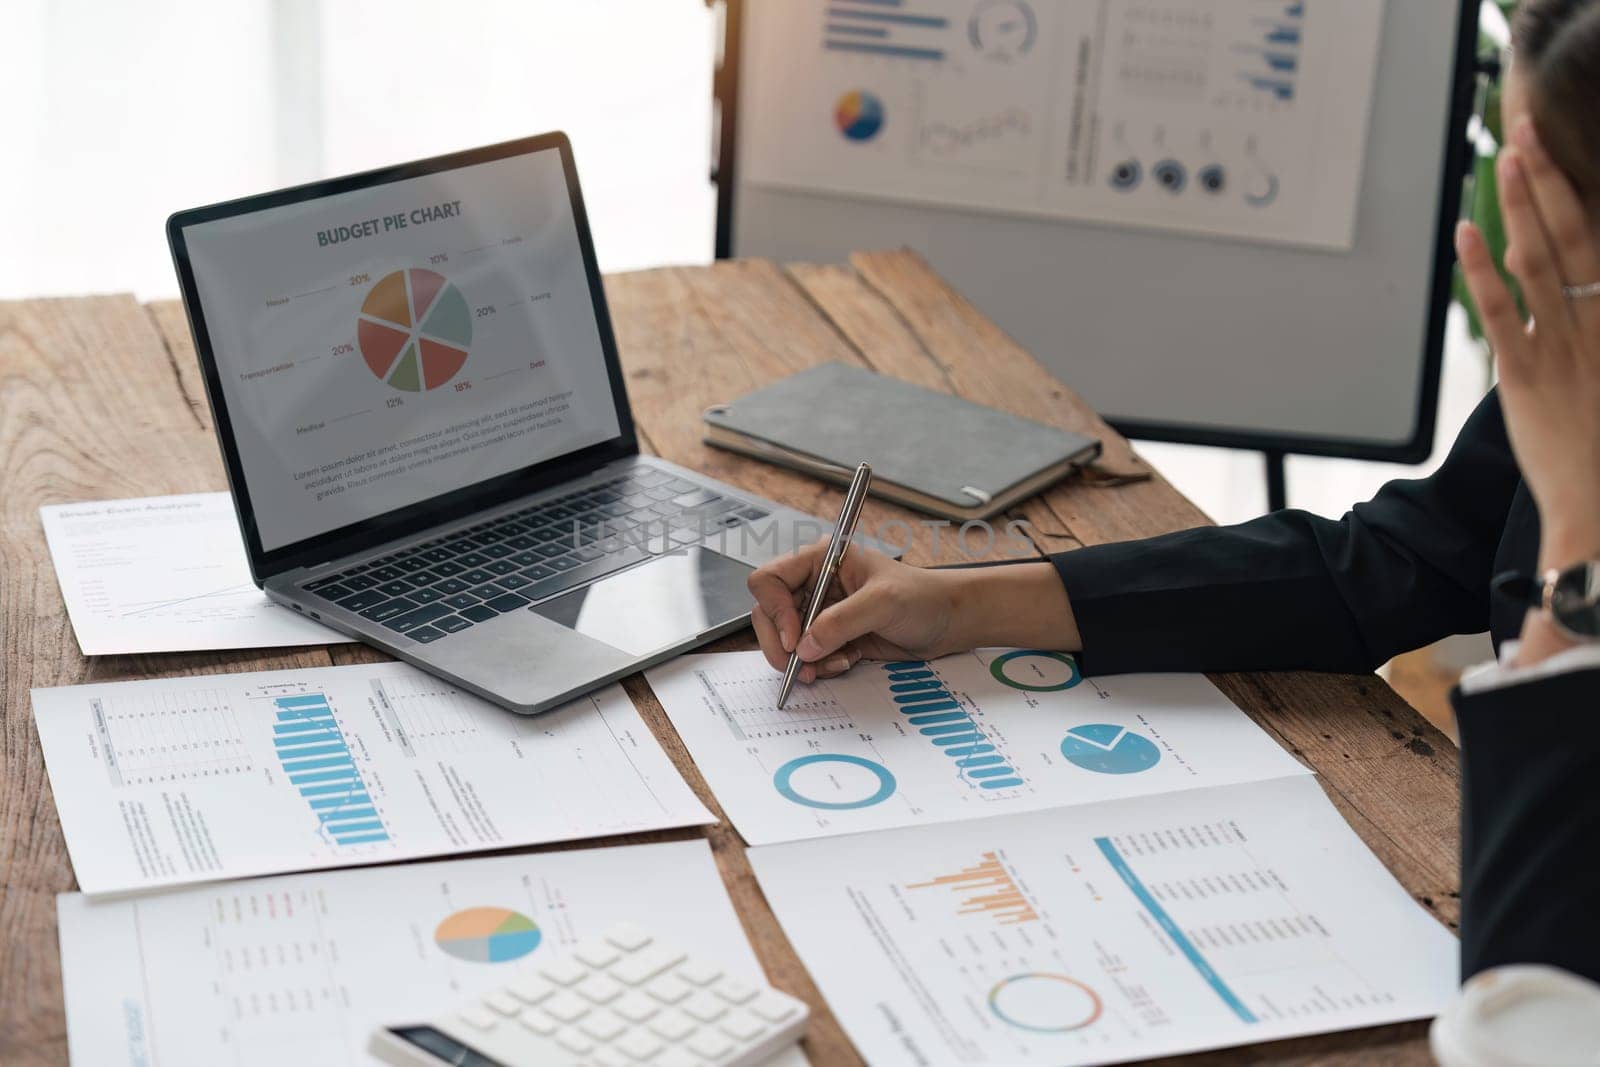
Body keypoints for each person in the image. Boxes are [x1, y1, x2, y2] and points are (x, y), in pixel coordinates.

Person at [747, 0, 1600, 1048]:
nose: (1506, 232)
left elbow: (1528, 1010)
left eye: (1530, 186)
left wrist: (1577, 546)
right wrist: (959, 600)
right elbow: (1399, 562)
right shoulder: (1576, 363)